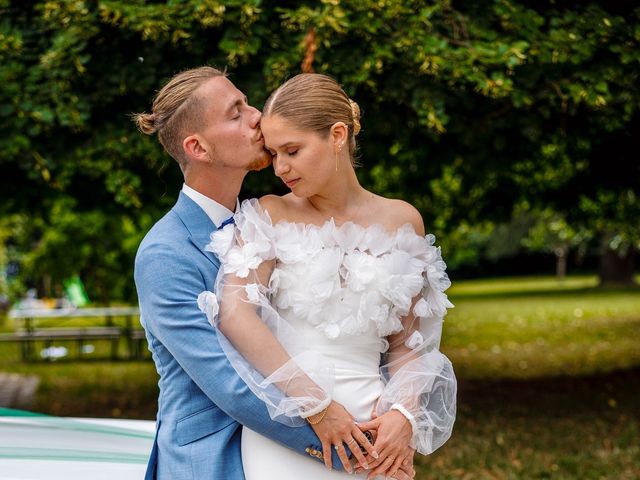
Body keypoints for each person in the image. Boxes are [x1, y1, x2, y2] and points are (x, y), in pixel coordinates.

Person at [132, 67, 411, 480]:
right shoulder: (165, 253)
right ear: (199, 148)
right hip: (213, 458)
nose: (257, 117)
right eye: (236, 113)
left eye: (248, 102)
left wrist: (396, 418)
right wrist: (351, 447)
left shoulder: (268, 222)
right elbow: (228, 382)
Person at [200, 73, 457, 480]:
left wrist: (403, 415)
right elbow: (236, 314)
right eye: (273, 152)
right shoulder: (270, 213)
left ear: (337, 135)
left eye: (292, 150)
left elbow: (410, 344)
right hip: (290, 427)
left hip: (375, 432)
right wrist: (317, 407)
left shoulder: (403, 220)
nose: (280, 167)